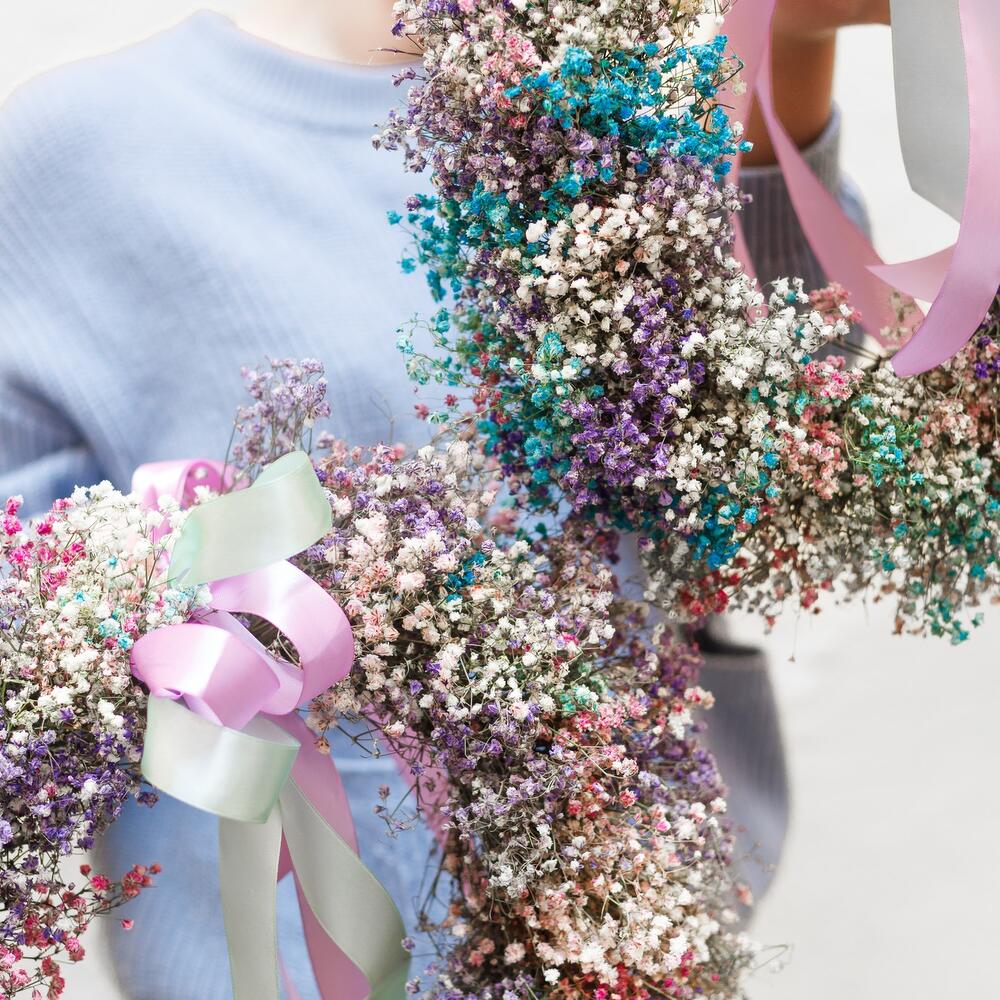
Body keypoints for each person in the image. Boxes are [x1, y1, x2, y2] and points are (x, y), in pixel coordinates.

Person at [0, 1, 887, 995]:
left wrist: (789, 51)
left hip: (634, 947)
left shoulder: (621, 117)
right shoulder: (79, 157)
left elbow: (781, 459)